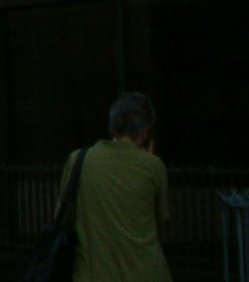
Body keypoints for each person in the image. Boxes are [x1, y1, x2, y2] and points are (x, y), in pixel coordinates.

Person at [61, 92, 171, 282]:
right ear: (145, 131)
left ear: (113, 125)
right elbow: (160, 221)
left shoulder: (78, 161)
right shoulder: (153, 166)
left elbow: (63, 217)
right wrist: (149, 159)